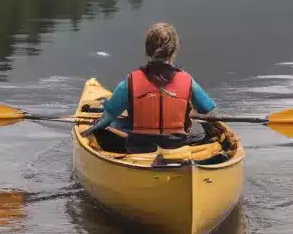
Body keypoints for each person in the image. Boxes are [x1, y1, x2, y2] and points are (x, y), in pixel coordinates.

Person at [83, 23, 218, 149]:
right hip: (176, 145)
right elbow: (212, 114)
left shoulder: (129, 83)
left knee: (110, 127)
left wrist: (92, 129)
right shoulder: (189, 82)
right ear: (174, 51)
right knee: (202, 129)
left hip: (140, 146)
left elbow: (106, 120)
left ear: (147, 50)